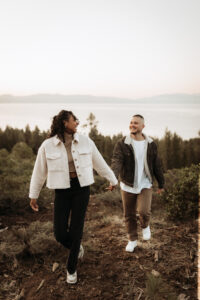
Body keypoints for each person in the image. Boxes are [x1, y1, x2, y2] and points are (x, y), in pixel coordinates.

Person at [29, 110, 117, 284]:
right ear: (64, 123)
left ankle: (71, 268)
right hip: (62, 190)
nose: (77, 122)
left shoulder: (85, 141)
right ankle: (77, 248)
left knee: (77, 229)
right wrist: (33, 195)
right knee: (60, 233)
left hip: (81, 189)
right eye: (73, 120)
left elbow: (99, 162)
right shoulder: (47, 145)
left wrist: (112, 179)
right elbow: (39, 172)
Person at [110, 114, 164, 252]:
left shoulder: (151, 144)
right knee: (129, 214)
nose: (132, 125)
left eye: (136, 123)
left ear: (142, 126)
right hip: (127, 184)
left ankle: (145, 225)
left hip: (145, 183)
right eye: (131, 122)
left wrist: (161, 183)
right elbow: (117, 161)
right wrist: (113, 178)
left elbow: (157, 165)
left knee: (143, 211)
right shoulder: (122, 143)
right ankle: (132, 240)